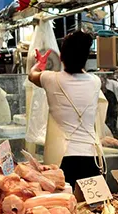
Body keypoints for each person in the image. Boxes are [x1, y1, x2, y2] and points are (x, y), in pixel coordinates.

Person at [28, 31, 104, 186]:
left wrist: (40, 64)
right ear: (86, 58)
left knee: (64, 206)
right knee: (94, 208)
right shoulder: (96, 82)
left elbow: (32, 75)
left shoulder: (51, 79)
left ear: (61, 56)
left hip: (62, 158)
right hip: (92, 158)